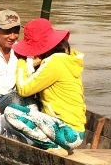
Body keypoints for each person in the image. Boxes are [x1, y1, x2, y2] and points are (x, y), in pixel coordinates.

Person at [10, 17, 87, 147]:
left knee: (11, 112)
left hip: (69, 133)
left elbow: (23, 88)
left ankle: (52, 146)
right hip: (72, 130)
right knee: (21, 101)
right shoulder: (66, 59)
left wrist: (22, 61)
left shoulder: (54, 62)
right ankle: (47, 141)